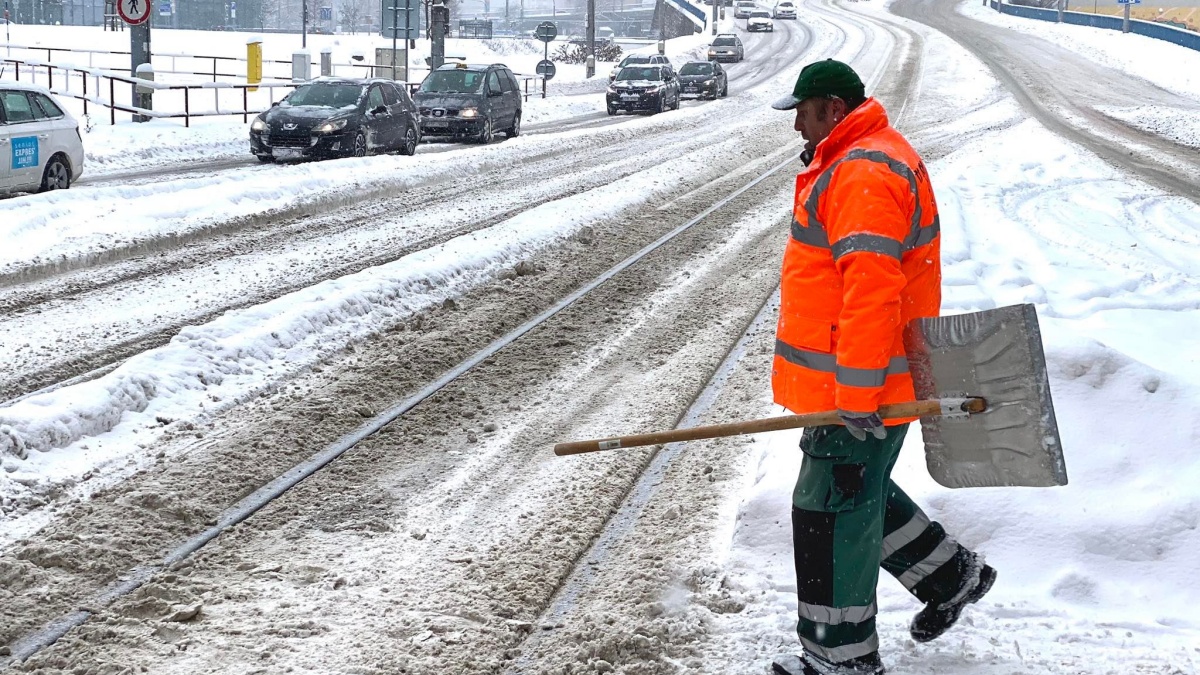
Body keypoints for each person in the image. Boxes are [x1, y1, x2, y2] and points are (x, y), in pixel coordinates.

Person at [768, 59, 997, 675]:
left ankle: (840, 659)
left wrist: (858, 392)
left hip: (863, 383)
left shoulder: (864, 169)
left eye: (804, 114)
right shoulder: (863, 157)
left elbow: (873, 290)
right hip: (859, 380)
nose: (798, 129)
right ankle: (951, 575)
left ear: (834, 109)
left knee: (828, 511)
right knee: (850, 491)